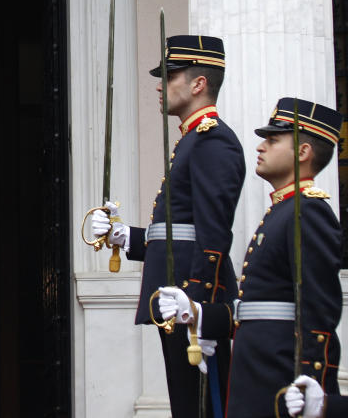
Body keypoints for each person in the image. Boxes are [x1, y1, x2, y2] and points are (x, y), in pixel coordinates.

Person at [159, 97, 343, 417]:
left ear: (303, 152)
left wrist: (312, 384)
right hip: (258, 373)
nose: (261, 147)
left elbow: (318, 310)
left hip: (279, 379)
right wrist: (200, 314)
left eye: (273, 140)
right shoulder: (283, 212)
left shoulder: (308, 212)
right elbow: (257, 307)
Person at [91, 35, 244, 417]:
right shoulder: (192, 140)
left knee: (201, 407)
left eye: (171, 75)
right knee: (185, 404)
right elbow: (176, 233)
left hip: (190, 296)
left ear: (198, 84)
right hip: (178, 292)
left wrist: (200, 305)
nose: (161, 84)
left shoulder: (212, 140)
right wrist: (125, 237)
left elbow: (213, 234)